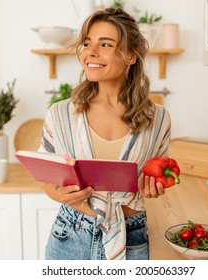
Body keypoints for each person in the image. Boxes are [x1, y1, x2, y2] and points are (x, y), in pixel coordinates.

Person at [38, 7, 172, 260]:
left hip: (130, 236)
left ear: (131, 56)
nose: (91, 52)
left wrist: (154, 188)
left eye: (105, 44)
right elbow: (47, 181)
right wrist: (60, 193)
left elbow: (158, 176)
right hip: (70, 236)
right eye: (87, 43)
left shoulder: (159, 119)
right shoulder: (59, 114)